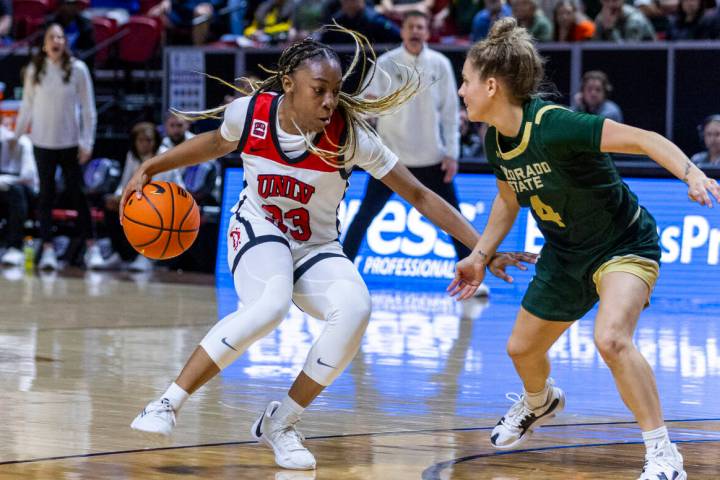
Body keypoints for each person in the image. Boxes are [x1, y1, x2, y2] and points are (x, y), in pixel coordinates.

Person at [124, 27, 532, 470]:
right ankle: (167, 402)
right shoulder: (252, 114)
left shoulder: (350, 136)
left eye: (335, 92)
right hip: (257, 229)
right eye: (319, 91)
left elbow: (419, 194)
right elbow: (216, 142)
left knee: (355, 309)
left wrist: (484, 249)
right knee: (270, 305)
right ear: (288, 86)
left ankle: (281, 422)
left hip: (315, 244)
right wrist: (153, 166)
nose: (329, 102)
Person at [452, 17, 719, 480]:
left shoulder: (557, 125)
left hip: (623, 243)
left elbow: (645, 139)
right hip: (564, 253)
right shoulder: (496, 139)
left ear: (491, 85)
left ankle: (663, 455)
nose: (461, 91)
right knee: (520, 350)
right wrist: (478, 255)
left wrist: (691, 173)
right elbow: (506, 200)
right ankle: (541, 402)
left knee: (611, 338)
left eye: (466, 82)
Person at [341, 11, 488, 298]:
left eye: (421, 27)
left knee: (454, 219)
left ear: (427, 30)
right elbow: (366, 105)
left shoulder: (441, 64)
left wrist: (452, 154)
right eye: (411, 27)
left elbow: (449, 113)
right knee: (364, 216)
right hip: (390, 160)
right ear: (403, 31)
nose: (416, 32)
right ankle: (342, 276)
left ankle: (474, 278)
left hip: (432, 157)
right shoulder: (385, 63)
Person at [14, 24, 100, 271]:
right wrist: (15, 137)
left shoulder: (78, 69)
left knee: (79, 195)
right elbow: (26, 107)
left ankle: (92, 247)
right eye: (52, 37)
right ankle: (49, 249)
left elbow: (89, 109)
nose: (56, 41)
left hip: (70, 143)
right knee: (45, 197)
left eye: (60, 37)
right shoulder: (34, 70)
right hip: (42, 143)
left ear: (65, 42)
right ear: (44, 43)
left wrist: (87, 142)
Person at [0, 122, 37, 266]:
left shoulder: (24, 143)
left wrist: (5, 180)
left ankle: (14, 247)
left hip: (27, 191)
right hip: (4, 191)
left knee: (16, 192)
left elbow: (28, 175)